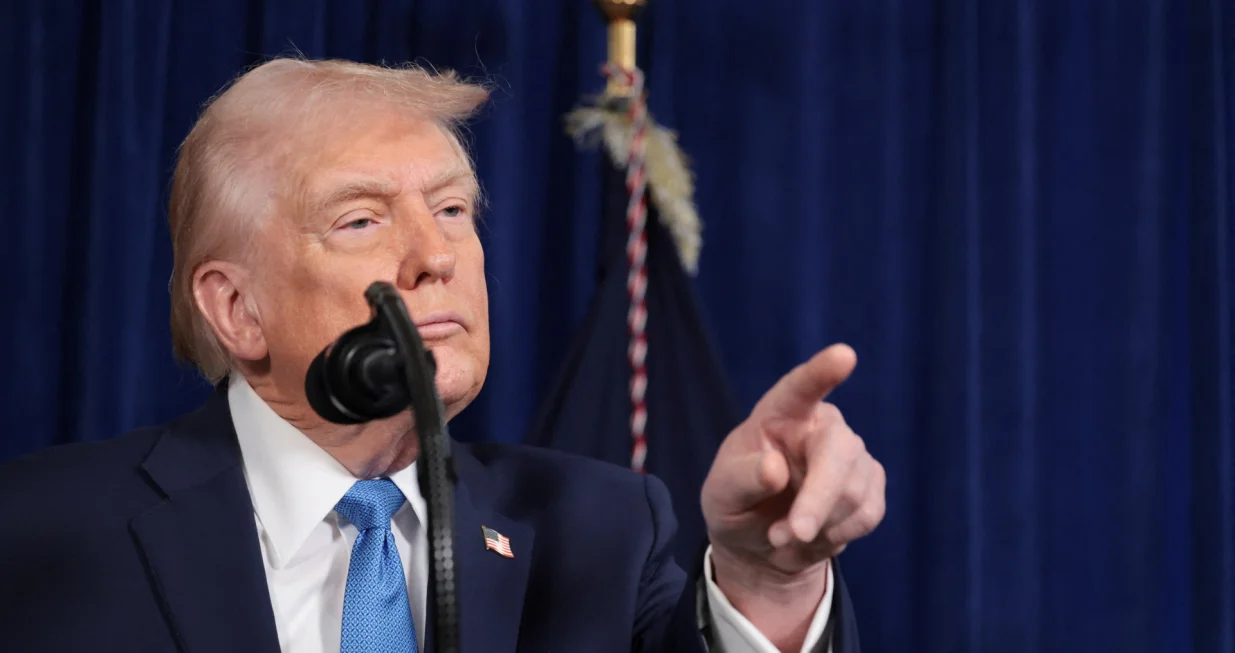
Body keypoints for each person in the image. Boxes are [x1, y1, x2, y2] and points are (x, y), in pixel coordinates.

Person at [0, 58, 885, 653]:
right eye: (361, 219)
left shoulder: (602, 529)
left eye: (454, 210)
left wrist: (771, 577)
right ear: (237, 309)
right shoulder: (38, 532)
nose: (438, 256)